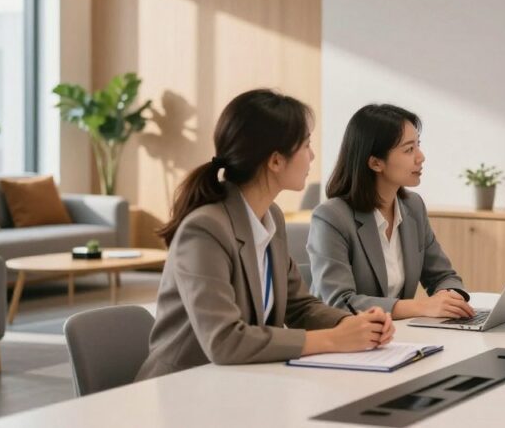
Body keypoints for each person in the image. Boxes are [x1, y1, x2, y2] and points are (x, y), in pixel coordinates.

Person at [136, 90, 394, 381]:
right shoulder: (205, 229)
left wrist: (356, 324)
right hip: (182, 388)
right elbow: (224, 341)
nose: (312, 155)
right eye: (306, 145)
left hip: (237, 383)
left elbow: (299, 306)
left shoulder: (270, 217)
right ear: (275, 161)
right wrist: (334, 340)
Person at [309, 104, 475, 320]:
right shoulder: (331, 217)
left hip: (397, 338)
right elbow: (340, 301)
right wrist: (420, 307)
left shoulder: (413, 207)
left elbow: (443, 275)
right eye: (409, 150)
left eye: (418, 146)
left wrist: (448, 297)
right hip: (345, 341)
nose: (420, 157)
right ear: (376, 163)